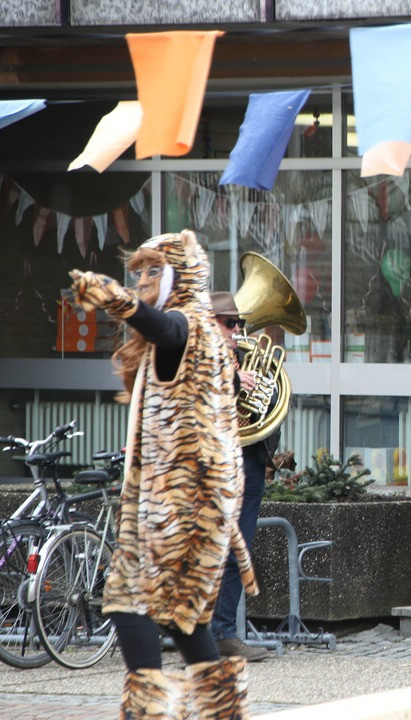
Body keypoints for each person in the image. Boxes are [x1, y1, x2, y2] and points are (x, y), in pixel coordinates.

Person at [69, 230, 252, 718]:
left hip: (179, 501)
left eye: (155, 271)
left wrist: (117, 299)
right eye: (139, 273)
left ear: (181, 275)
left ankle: (147, 714)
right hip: (197, 500)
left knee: (129, 599)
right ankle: (223, 712)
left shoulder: (187, 324)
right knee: (183, 618)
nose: (145, 281)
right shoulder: (210, 333)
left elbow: (164, 327)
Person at [208, 291, 279, 663]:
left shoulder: (247, 358)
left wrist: (265, 390)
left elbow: (271, 410)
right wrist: (235, 380)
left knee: (239, 552)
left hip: (249, 466)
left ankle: (223, 633)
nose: (237, 329)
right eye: (228, 323)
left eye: (239, 323)